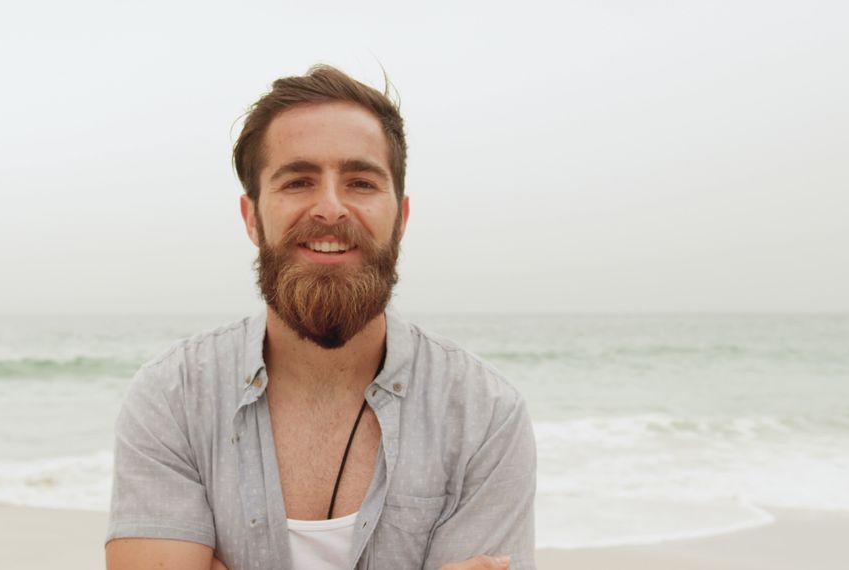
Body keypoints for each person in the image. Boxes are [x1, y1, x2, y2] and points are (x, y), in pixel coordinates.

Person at [105, 65, 536, 570]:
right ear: (251, 218)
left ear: (400, 219)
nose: (330, 209)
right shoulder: (174, 396)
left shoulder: (484, 415)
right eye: (298, 181)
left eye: (361, 182)